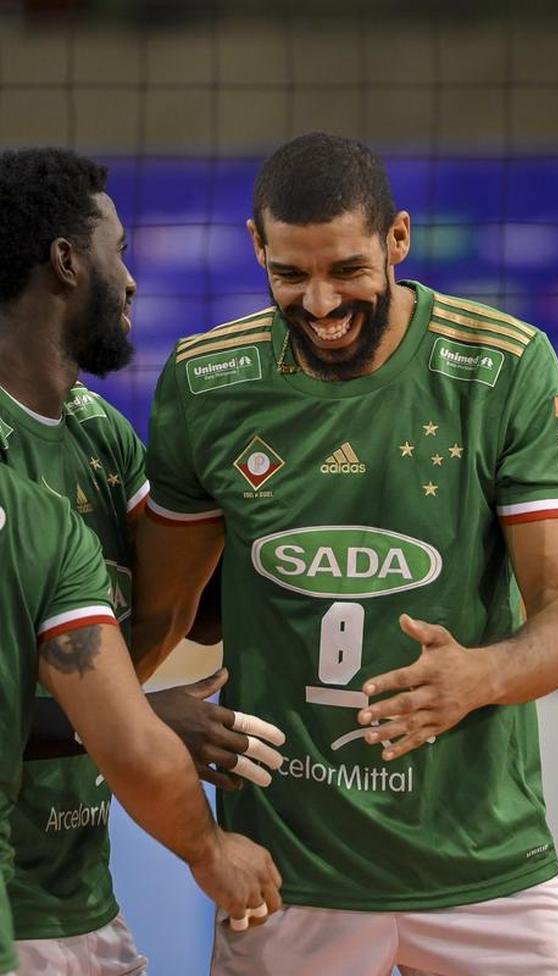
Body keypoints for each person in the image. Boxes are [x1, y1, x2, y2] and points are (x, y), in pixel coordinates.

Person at [133, 132, 558, 976]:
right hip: (286, 874)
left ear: (398, 238)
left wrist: (478, 676)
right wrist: (108, 721)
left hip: (485, 863)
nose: (320, 303)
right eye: (290, 274)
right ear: (256, 247)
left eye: (347, 270)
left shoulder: (504, 367)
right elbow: (161, 616)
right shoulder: (207, 383)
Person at [0, 147, 285, 975]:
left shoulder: (97, 432)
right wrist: (140, 723)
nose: (129, 281)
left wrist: (258, 467)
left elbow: (196, 602)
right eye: (116, 252)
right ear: (66, 261)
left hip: (85, 892)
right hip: (15, 903)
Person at [0, 463, 282, 976]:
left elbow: (195, 613)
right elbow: (129, 740)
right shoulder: (34, 515)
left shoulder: (78, 472)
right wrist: (210, 849)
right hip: (19, 902)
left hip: (83, 896)